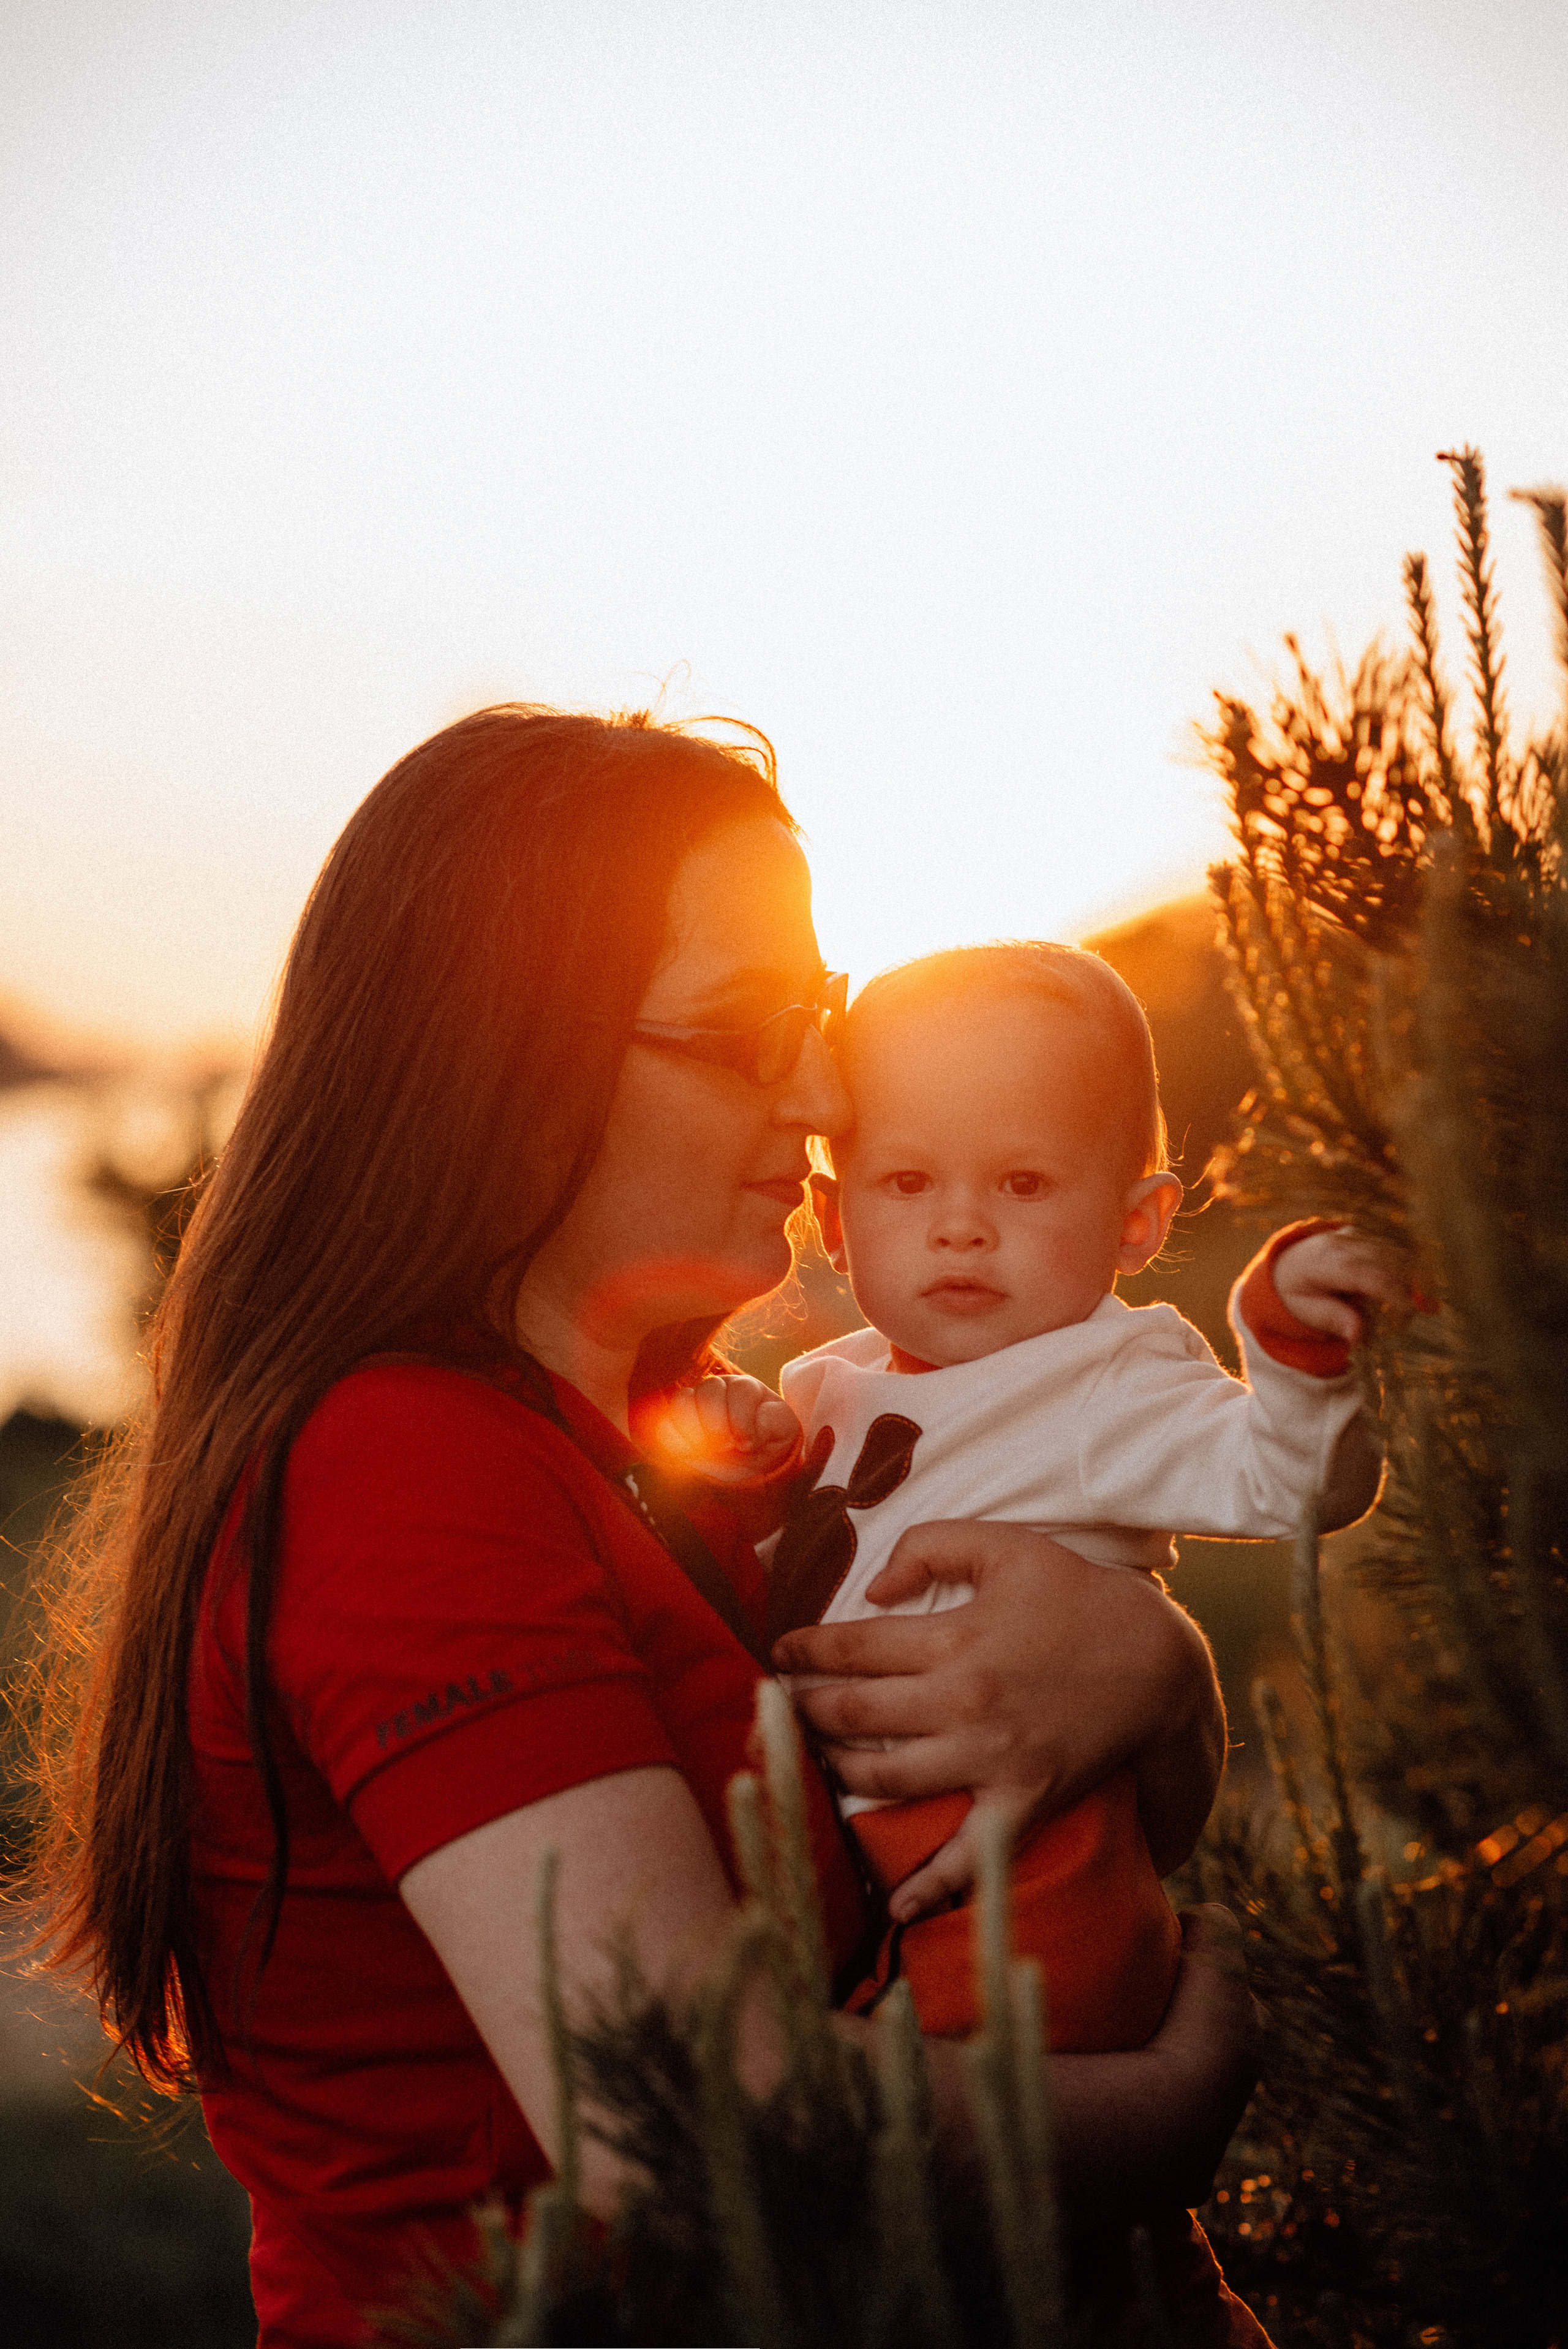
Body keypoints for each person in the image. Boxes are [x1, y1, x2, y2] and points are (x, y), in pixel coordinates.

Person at [26, 708, 1256, 2349]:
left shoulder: (683, 1444)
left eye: (818, 1016)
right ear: (518, 1058)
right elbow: (695, 2134)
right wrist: (1172, 2113)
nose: (828, 1090)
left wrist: (1156, 1677)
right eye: (751, 1029)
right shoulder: (405, 1473)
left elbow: (990, 1811)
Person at [659, 940, 1403, 2047]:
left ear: (1135, 1223)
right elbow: (805, 1576)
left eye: (1023, 1182)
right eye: (909, 1182)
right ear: (833, 1212)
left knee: (980, 2124)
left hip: (1034, 1868)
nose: (962, 1224)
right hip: (864, 1867)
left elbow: (1291, 1480)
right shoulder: (828, 1386)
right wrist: (746, 1477)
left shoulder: (1106, 1378)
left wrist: (1291, 1340)